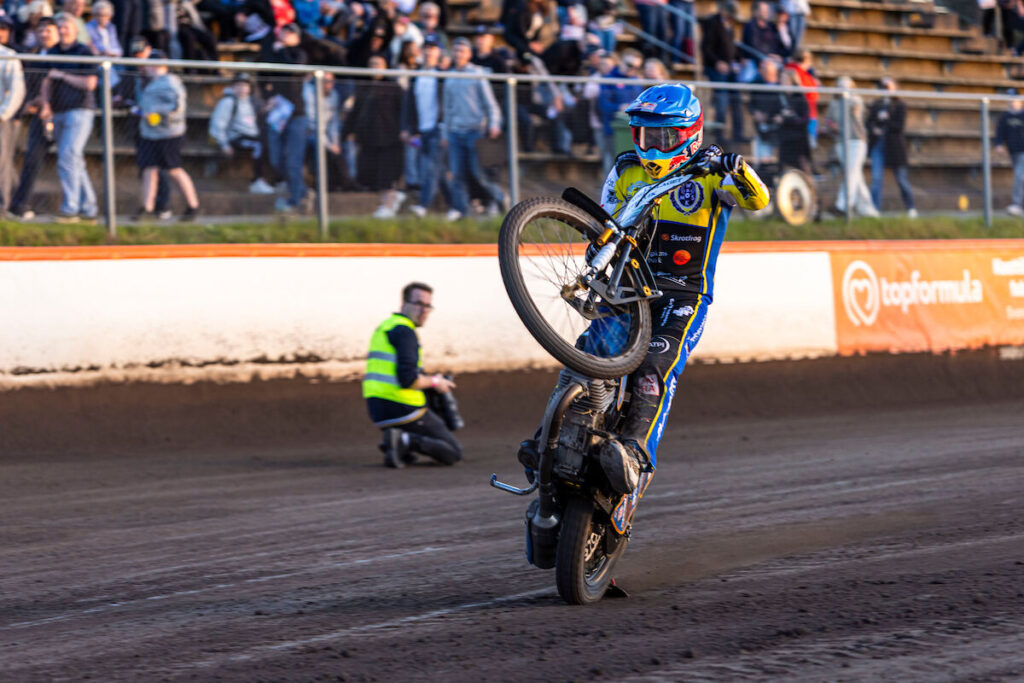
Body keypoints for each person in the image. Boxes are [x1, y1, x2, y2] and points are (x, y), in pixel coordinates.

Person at [519, 84, 770, 495]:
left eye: (662, 136)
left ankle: (634, 451)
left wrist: (736, 167)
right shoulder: (624, 168)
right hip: (628, 288)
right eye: (644, 134)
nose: (651, 144)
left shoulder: (712, 173)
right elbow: (602, 222)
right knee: (585, 356)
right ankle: (545, 440)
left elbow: (757, 199)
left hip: (683, 294)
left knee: (655, 368)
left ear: (690, 135)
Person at [363, 282, 463, 469]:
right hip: (403, 408)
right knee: (452, 452)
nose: (424, 310)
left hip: (377, 409)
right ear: (404, 303)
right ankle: (404, 440)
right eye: (418, 304)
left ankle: (398, 444)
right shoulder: (405, 332)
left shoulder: (386, 326)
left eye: (427, 306)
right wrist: (436, 382)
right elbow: (409, 379)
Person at [39, 13, 98, 223]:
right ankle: (89, 209)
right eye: (60, 27)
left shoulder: (84, 51)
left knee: (68, 155)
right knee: (74, 160)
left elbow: (90, 84)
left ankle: (71, 208)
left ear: (75, 30)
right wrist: (45, 105)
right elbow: (46, 82)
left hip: (80, 110)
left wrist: (63, 76)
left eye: (67, 28)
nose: (63, 31)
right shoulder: (52, 52)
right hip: (59, 111)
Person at [441, 36, 506, 220]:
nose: (458, 54)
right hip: (455, 133)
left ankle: (499, 199)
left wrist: (494, 124)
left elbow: (490, 104)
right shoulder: (449, 77)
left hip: (475, 131)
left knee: (479, 174)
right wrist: (446, 132)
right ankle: (462, 211)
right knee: (456, 174)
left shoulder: (477, 74)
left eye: (462, 50)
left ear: (469, 54)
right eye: (455, 50)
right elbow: (447, 108)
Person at [133, 51, 201, 221]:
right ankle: (147, 209)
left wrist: (157, 114)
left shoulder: (170, 83)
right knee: (149, 169)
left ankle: (193, 206)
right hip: (149, 133)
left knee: (174, 169)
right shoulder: (149, 83)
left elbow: (176, 108)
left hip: (169, 133)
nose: (145, 68)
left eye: (148, 64)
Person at [7, 17, 60, 221]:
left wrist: (45, 101)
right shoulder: (34, 56)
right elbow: (26, 83)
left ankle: (83, 208)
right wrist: (28, 104)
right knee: (31, 160)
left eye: (49, 30)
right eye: (41, 30)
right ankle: (19, 206)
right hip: (38, 116)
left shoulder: (62, 54)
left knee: (70, 161)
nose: (44, 34)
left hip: (60, 114)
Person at [346, 53, 406, 217]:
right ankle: (388, 203)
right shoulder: (363, 88)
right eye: (372, 64)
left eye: (378, 64)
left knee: (386, 175)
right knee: (369, 174)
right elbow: (355, 112)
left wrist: (405, 131)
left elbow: (403, 112)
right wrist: (347, 132)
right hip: (368, 139)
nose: (375, 67)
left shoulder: (394, 88)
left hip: (389, 139)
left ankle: (389, 204)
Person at [264, 22, 310, 213]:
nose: (285, 35)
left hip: (296, 115)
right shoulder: (273, 53)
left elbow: (294, 69)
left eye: (290, 33)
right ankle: (303, 192)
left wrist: (283, 50)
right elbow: (264, 77)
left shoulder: (299, 54)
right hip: (278, 114)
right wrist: (268, 99)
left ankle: (296, 200)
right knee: (276, 157)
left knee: (293, 159)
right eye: (284, 32)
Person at [209, 72, 275, 195]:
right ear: (233, 86)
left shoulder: (250, 101)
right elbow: (217, 125)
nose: (242, 89)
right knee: (258, 145)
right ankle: (257, 181)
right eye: (239, 85)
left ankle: (276, 180)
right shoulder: (228, 102)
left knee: (269, 141)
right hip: (235, 137)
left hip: (252, 136)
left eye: (246, 86)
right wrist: (224, 145)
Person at [824, 76, 878, 217]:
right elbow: (828, 121)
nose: (843, 88)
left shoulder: (855, 100)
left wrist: (853, 107)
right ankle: (868, 211)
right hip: (841, 142)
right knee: (856, 177)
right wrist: (831, 126)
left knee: (851, 174)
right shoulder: (833, 104)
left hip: (856, 141)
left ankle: (842, 206)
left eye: (846, 85)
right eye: (841, 85)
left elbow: (857, 110)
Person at [866, 76, 916, 217]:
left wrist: (886, 119)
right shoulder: (877, 104)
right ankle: (875, 209)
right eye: (883, 86)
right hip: (878, 144)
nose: (885, 89)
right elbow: (869, 123)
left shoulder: (900, 105)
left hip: (894, 146)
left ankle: (911, 207)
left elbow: (899, 126)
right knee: (876, 179)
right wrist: (874, 129)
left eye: (888, 86)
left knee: (901, 179)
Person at [701, 0, 745, 143]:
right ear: (724, 11)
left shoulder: (730, 26)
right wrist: (717, 63)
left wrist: (739, 58)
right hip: (716, 69)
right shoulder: (712, 23)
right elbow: (706, 48)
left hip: (730, 69)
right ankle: (720, 135)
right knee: (722, 101)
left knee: (737, 100)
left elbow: (731, 48)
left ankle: (738, 134)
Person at [0, 33, 25, 217]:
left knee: (1, 165)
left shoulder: (7, 55)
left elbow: (17, 90)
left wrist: (4, 114)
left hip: (0, 119)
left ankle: (2, 207)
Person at [994, 90, 1024, 216]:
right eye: (1010, 99)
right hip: (1013, 151)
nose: (1013, 102)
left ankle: (1017, 204)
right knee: (1020, 176)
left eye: (1015, 99)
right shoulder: (1005, 116)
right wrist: (998, 144)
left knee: (1019, 176)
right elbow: (1000, 132)